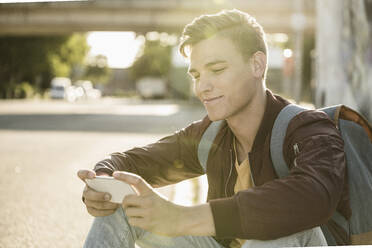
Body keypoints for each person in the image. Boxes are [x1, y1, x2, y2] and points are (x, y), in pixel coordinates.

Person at [78, 9, 349, 248]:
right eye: (196, 75)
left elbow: (315, 195)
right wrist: (103, 182)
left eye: (217, 70)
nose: (202, 87)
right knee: (125, 207)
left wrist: (185, 218)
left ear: (257, 64)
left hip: (299, 243)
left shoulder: (308, 127)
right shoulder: (212, 134)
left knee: (288, 229)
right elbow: (135, 162)